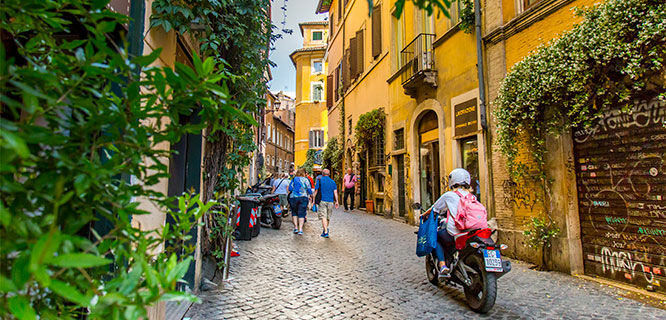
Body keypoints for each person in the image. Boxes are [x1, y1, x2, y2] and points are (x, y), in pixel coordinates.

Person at [423, 168, 474, 277]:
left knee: (435, 237)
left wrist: (423, 215)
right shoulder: (472, 197)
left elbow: (434, 209)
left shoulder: (449, 195)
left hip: (455, 231)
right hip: (471, 231)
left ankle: (442, 265)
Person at [313, 169, 339, 238]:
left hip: (322, 200)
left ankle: (325, 231)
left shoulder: (320, 180)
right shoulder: (332, 182)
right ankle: (325, 230)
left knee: (323, 216)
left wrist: (313, 200)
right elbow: (335, 192)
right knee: (328, 217)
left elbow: (316, 191)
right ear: (329, 174)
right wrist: (337, 201)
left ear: (322, 174)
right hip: (330, 201)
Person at [288, 169, 313, 235]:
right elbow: (309, 189)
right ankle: (300, 229)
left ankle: (296, 228)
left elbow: (290, 188)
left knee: (294, 213)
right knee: (302, 213)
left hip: (293, 197)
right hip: (303, 198)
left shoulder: (293, 179)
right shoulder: (305, 180)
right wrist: (310, 195)